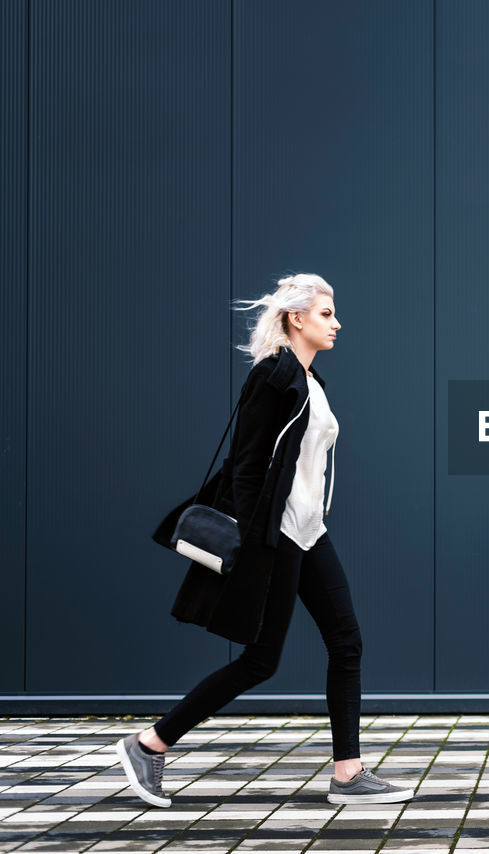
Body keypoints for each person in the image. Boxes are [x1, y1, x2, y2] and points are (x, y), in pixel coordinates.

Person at [119, 273, 413, 808]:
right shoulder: (272, 377)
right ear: (297, 319)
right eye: (327, 313)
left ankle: (348, 774)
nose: (336, 322)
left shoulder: (311, 381)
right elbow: (246, 466)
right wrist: (259, 542)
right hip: (276, 535)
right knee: (261, 661)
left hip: (309, 531)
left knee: (346, 643)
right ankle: (149, 743)